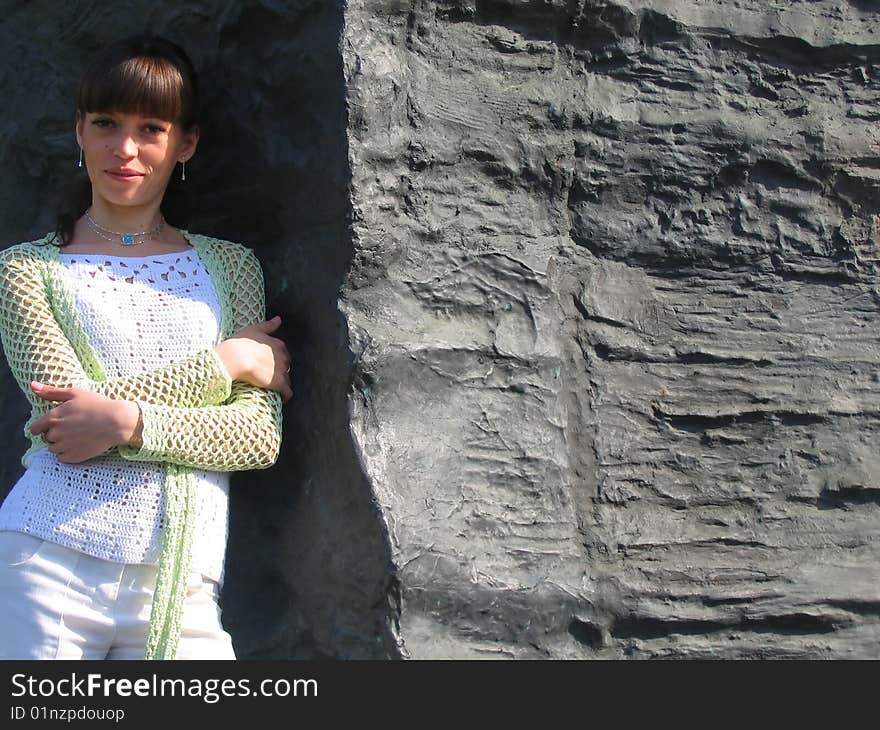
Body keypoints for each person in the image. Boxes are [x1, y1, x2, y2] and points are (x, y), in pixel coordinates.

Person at [0, 35, 291, 660]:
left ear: (184, 143)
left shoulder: (230, 267)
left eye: (150, 128)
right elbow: (66, 424)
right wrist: (227, 362)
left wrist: (124, 421)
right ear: (79, 129)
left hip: (184, 584)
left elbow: (256, 437)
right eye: (106, 123)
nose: (124, 149)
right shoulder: (25, 271)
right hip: (48, 564)